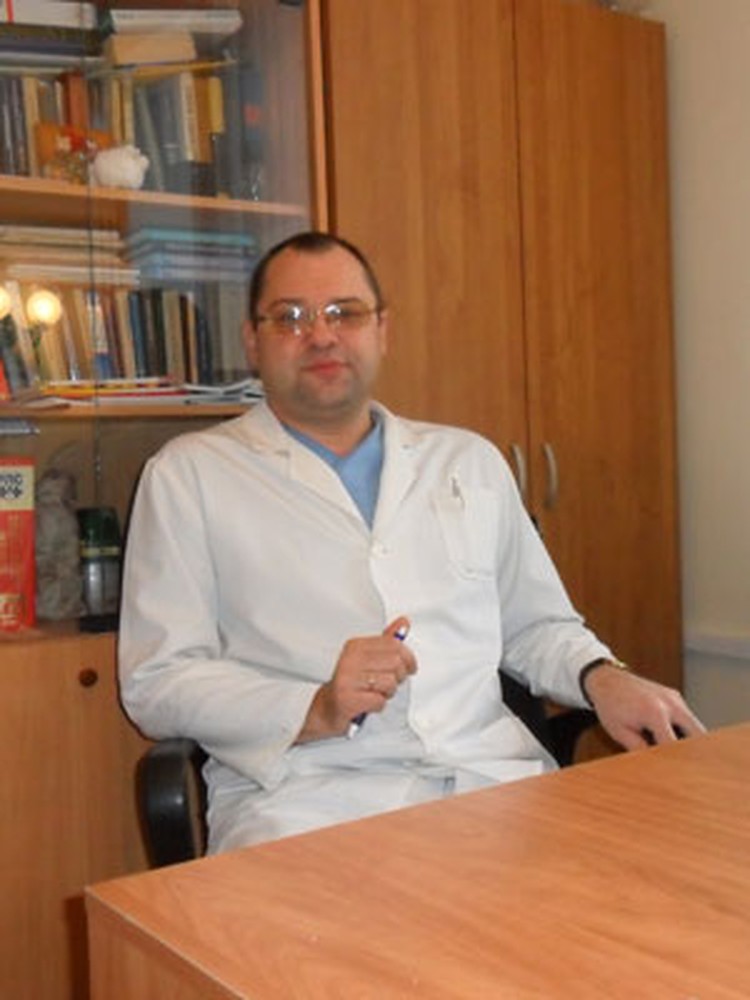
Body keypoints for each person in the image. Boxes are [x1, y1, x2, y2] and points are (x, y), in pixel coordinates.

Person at [119, 231, 704, 853]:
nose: (321, 335)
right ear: (252, 342)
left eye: (345, 313)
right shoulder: (188, 476)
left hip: (492, 785)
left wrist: (602, 677)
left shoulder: (468, 461)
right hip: (302, 802)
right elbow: (157, 681)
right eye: (290, 317)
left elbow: (536, 626)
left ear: (382, 330)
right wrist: (313, 706)